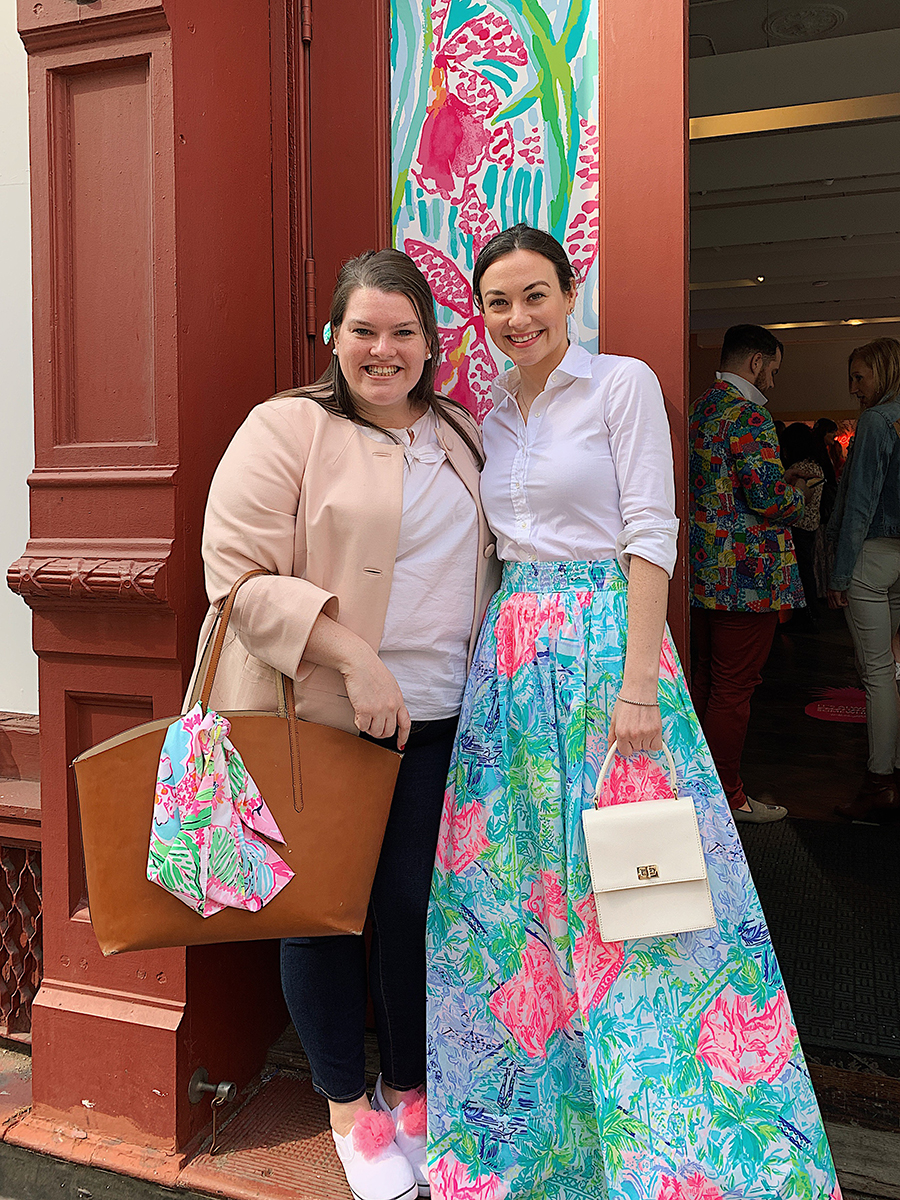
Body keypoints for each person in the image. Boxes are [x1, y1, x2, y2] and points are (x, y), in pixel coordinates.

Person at [426, 226, 839, 1200]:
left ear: (570, 294)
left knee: (644, 902)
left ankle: (689, 1155)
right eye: (498, 302)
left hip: (609, 654)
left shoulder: (620, 385)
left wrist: (640, 683)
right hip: (512, 670)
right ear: (480, 316)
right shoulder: (484, 413)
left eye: (535, 295)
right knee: (515, 906)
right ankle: (533, 1149)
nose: (518, 317)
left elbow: (653, 528)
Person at [196, 249, 500, 1200]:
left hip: (443, 716)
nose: (383, 349)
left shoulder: (457, 431)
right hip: (321, 714)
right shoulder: (286, 428)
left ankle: (407, 1088)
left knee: (415, 911)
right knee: (325, 916)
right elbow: (236, 579)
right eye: (362, 329)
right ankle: (344, 1108)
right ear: (332, 337)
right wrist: (355, 659)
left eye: (404, 330)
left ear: (431, 343)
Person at [689, 325, 815, 822]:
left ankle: (698, 789)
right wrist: (798, 495)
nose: (774, 381)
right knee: (735, 688)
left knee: (705, 681)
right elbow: (765, 496)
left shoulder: (701, 407)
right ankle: (728, 795)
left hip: (702, 573)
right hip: (747, 577)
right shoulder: (749, 414)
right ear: (758, 362)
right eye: (775, 370)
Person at [827, 337, 900, 822]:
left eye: (860, 376)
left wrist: (838, 571)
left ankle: (880, 782)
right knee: (896, 671)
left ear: (883, 370)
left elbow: (860, 504)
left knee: (876, 673)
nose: (854, 388)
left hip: (872, 557)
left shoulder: (878, 421)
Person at [780, 421, 826, 627]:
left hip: (797, 525)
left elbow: (788, 501)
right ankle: (812, 612)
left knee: (799, 572)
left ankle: (804, 615)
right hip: (812, 524)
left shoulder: (797, 468)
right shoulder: (816, 466)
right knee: (807, 570)